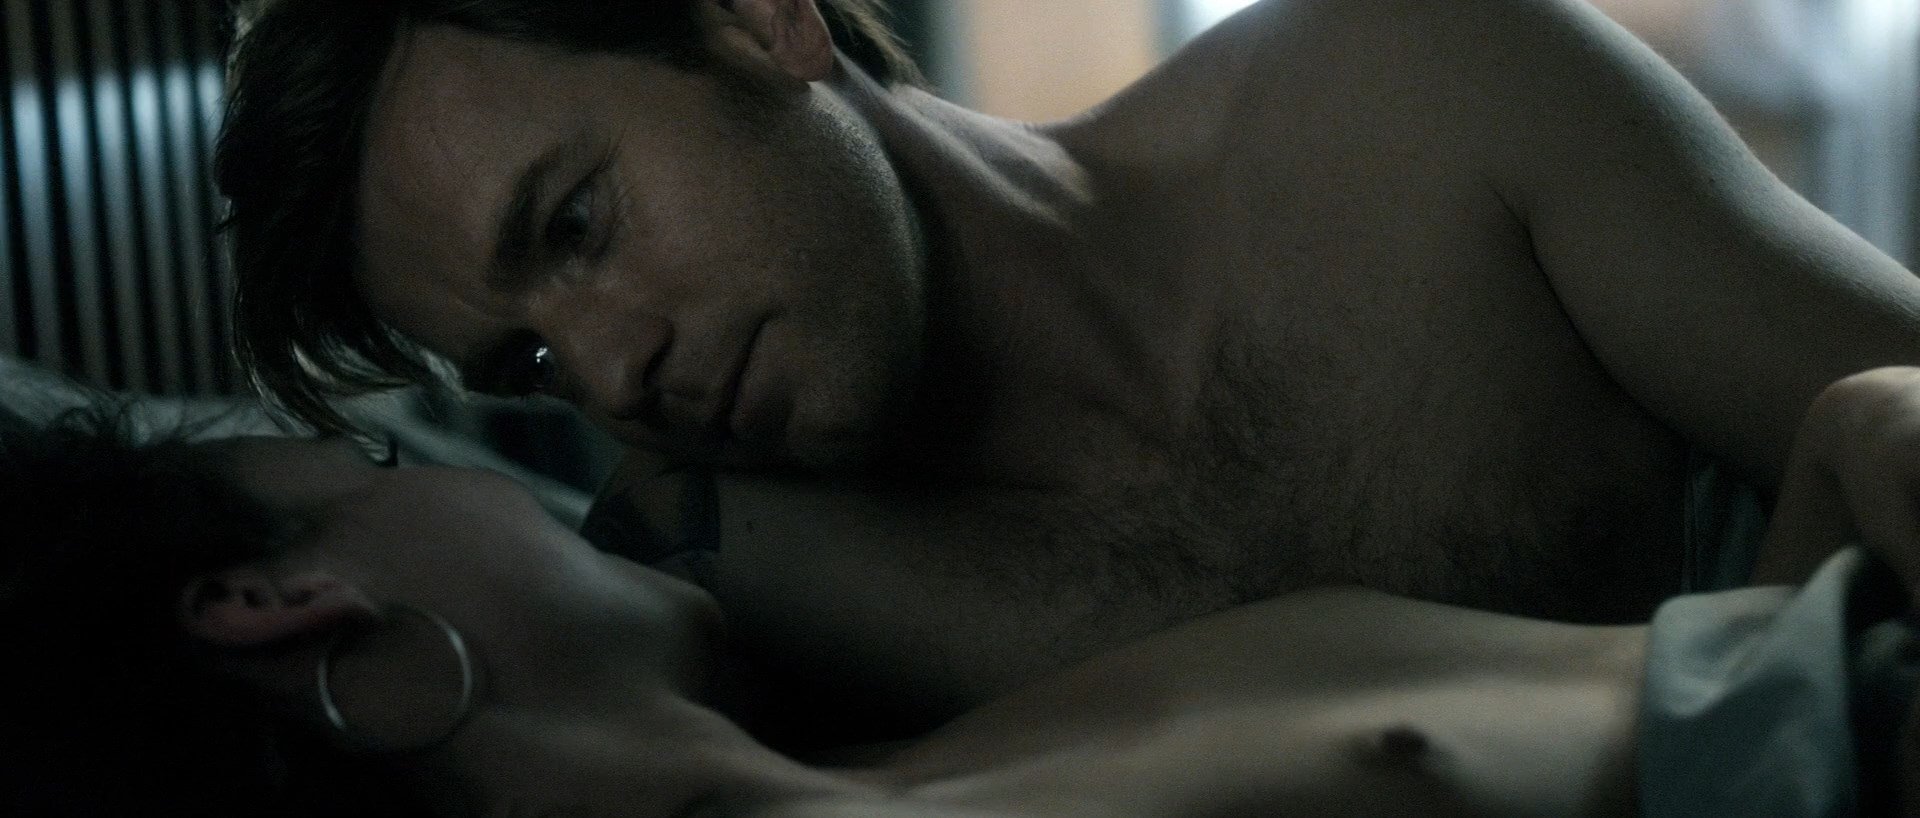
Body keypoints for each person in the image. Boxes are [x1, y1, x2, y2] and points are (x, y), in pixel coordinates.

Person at [215, 0, 1920, 733]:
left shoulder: (1415, 102)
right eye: (524, 355)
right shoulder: (705, 592)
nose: (607, 371)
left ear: (758, 17)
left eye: (578, 222)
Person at [3, 378, 1914, 816]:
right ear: (272, 601)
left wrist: (1850, 437)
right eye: (381, 465)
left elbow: (1722, 709)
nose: (512, 468)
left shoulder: (934, 751)